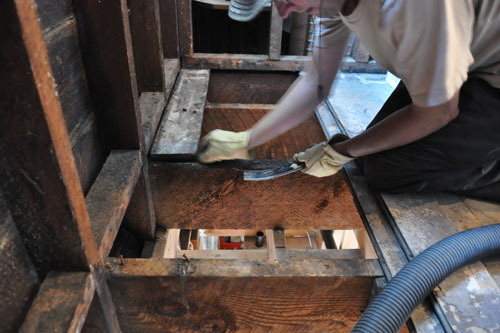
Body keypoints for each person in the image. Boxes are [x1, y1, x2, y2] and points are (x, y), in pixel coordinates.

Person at [198, 0, 500, 203]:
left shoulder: (414, 7)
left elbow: (438, 111)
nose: (283, 11)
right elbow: (316, 82)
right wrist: (248, 139)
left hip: (493, 80)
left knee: (388, 171)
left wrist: (341, 150)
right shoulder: (335, 4)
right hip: (466, 66)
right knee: (375, 151)